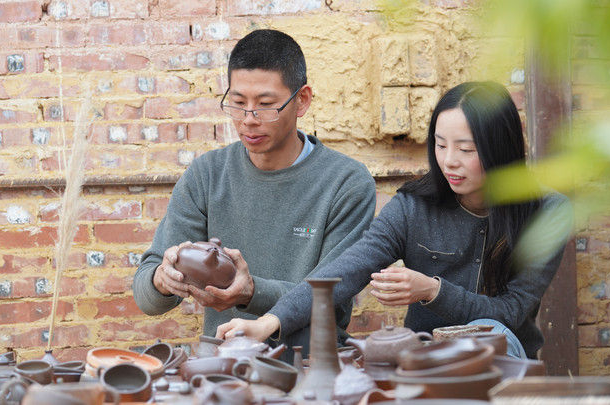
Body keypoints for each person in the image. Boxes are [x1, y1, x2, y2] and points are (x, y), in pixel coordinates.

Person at [217, 81, 572, 359]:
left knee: (491, 333)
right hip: (424, 362)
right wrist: (269, 322)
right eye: (440, 145)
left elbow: (510, 312)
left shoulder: (548, 212)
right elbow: (346, 270)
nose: (449, 160)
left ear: (500, 149)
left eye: (466, 149)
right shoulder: (413, 206)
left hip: (504, 365)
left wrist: (433, 290)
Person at [132, 29, 376, 361]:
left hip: (312, 367)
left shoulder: (346, 183)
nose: (248, 120)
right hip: (226, 370)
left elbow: (330, 298)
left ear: (302, 100)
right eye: (237, 103)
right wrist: (163, 280)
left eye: (265, 105)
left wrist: (252, 292)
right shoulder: (207, 175)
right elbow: (146, 297)